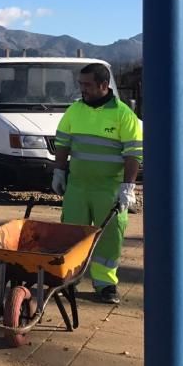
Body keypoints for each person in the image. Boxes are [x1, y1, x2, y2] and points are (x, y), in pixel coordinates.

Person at [52, 63, 143, 304]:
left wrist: (128, 187)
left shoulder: (124, 115)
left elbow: (133, 154)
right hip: (78, 188)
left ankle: (105, 284)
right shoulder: (74, 111)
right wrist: (58, 172)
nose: (83, 89)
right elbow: (62, 143)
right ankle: (69, 279)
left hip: (109, 190)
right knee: (72, 236)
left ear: (104, 85)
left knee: (109, 238)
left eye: (88, 85)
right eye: (81, 84)